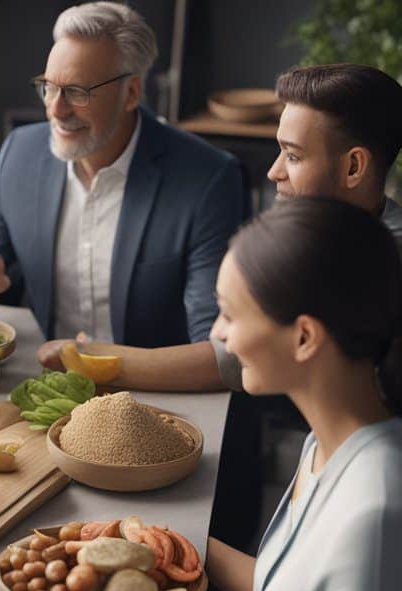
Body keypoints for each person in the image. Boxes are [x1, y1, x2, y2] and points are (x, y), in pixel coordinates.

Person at [65, 198, 402, 591]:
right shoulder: (326, 444)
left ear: (304, 337)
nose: (217, 335)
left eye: (229, 314)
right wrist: (172, 541)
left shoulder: (378, 510)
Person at [38, 63, 402, 388]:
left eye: (293, 156)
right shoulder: (334, 238)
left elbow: (232, 359)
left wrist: (85, 358)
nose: (274, 173)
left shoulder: (372, 268)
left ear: (354, 167)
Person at [0, 1, 243, 348]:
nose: (56, 110)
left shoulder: (208, 178)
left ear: (131, 93)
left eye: (77, 92)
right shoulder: (19, 154)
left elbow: (215, 345)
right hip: (48, 383)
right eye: (49, 86)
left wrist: (110, 369)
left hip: (158, 392)